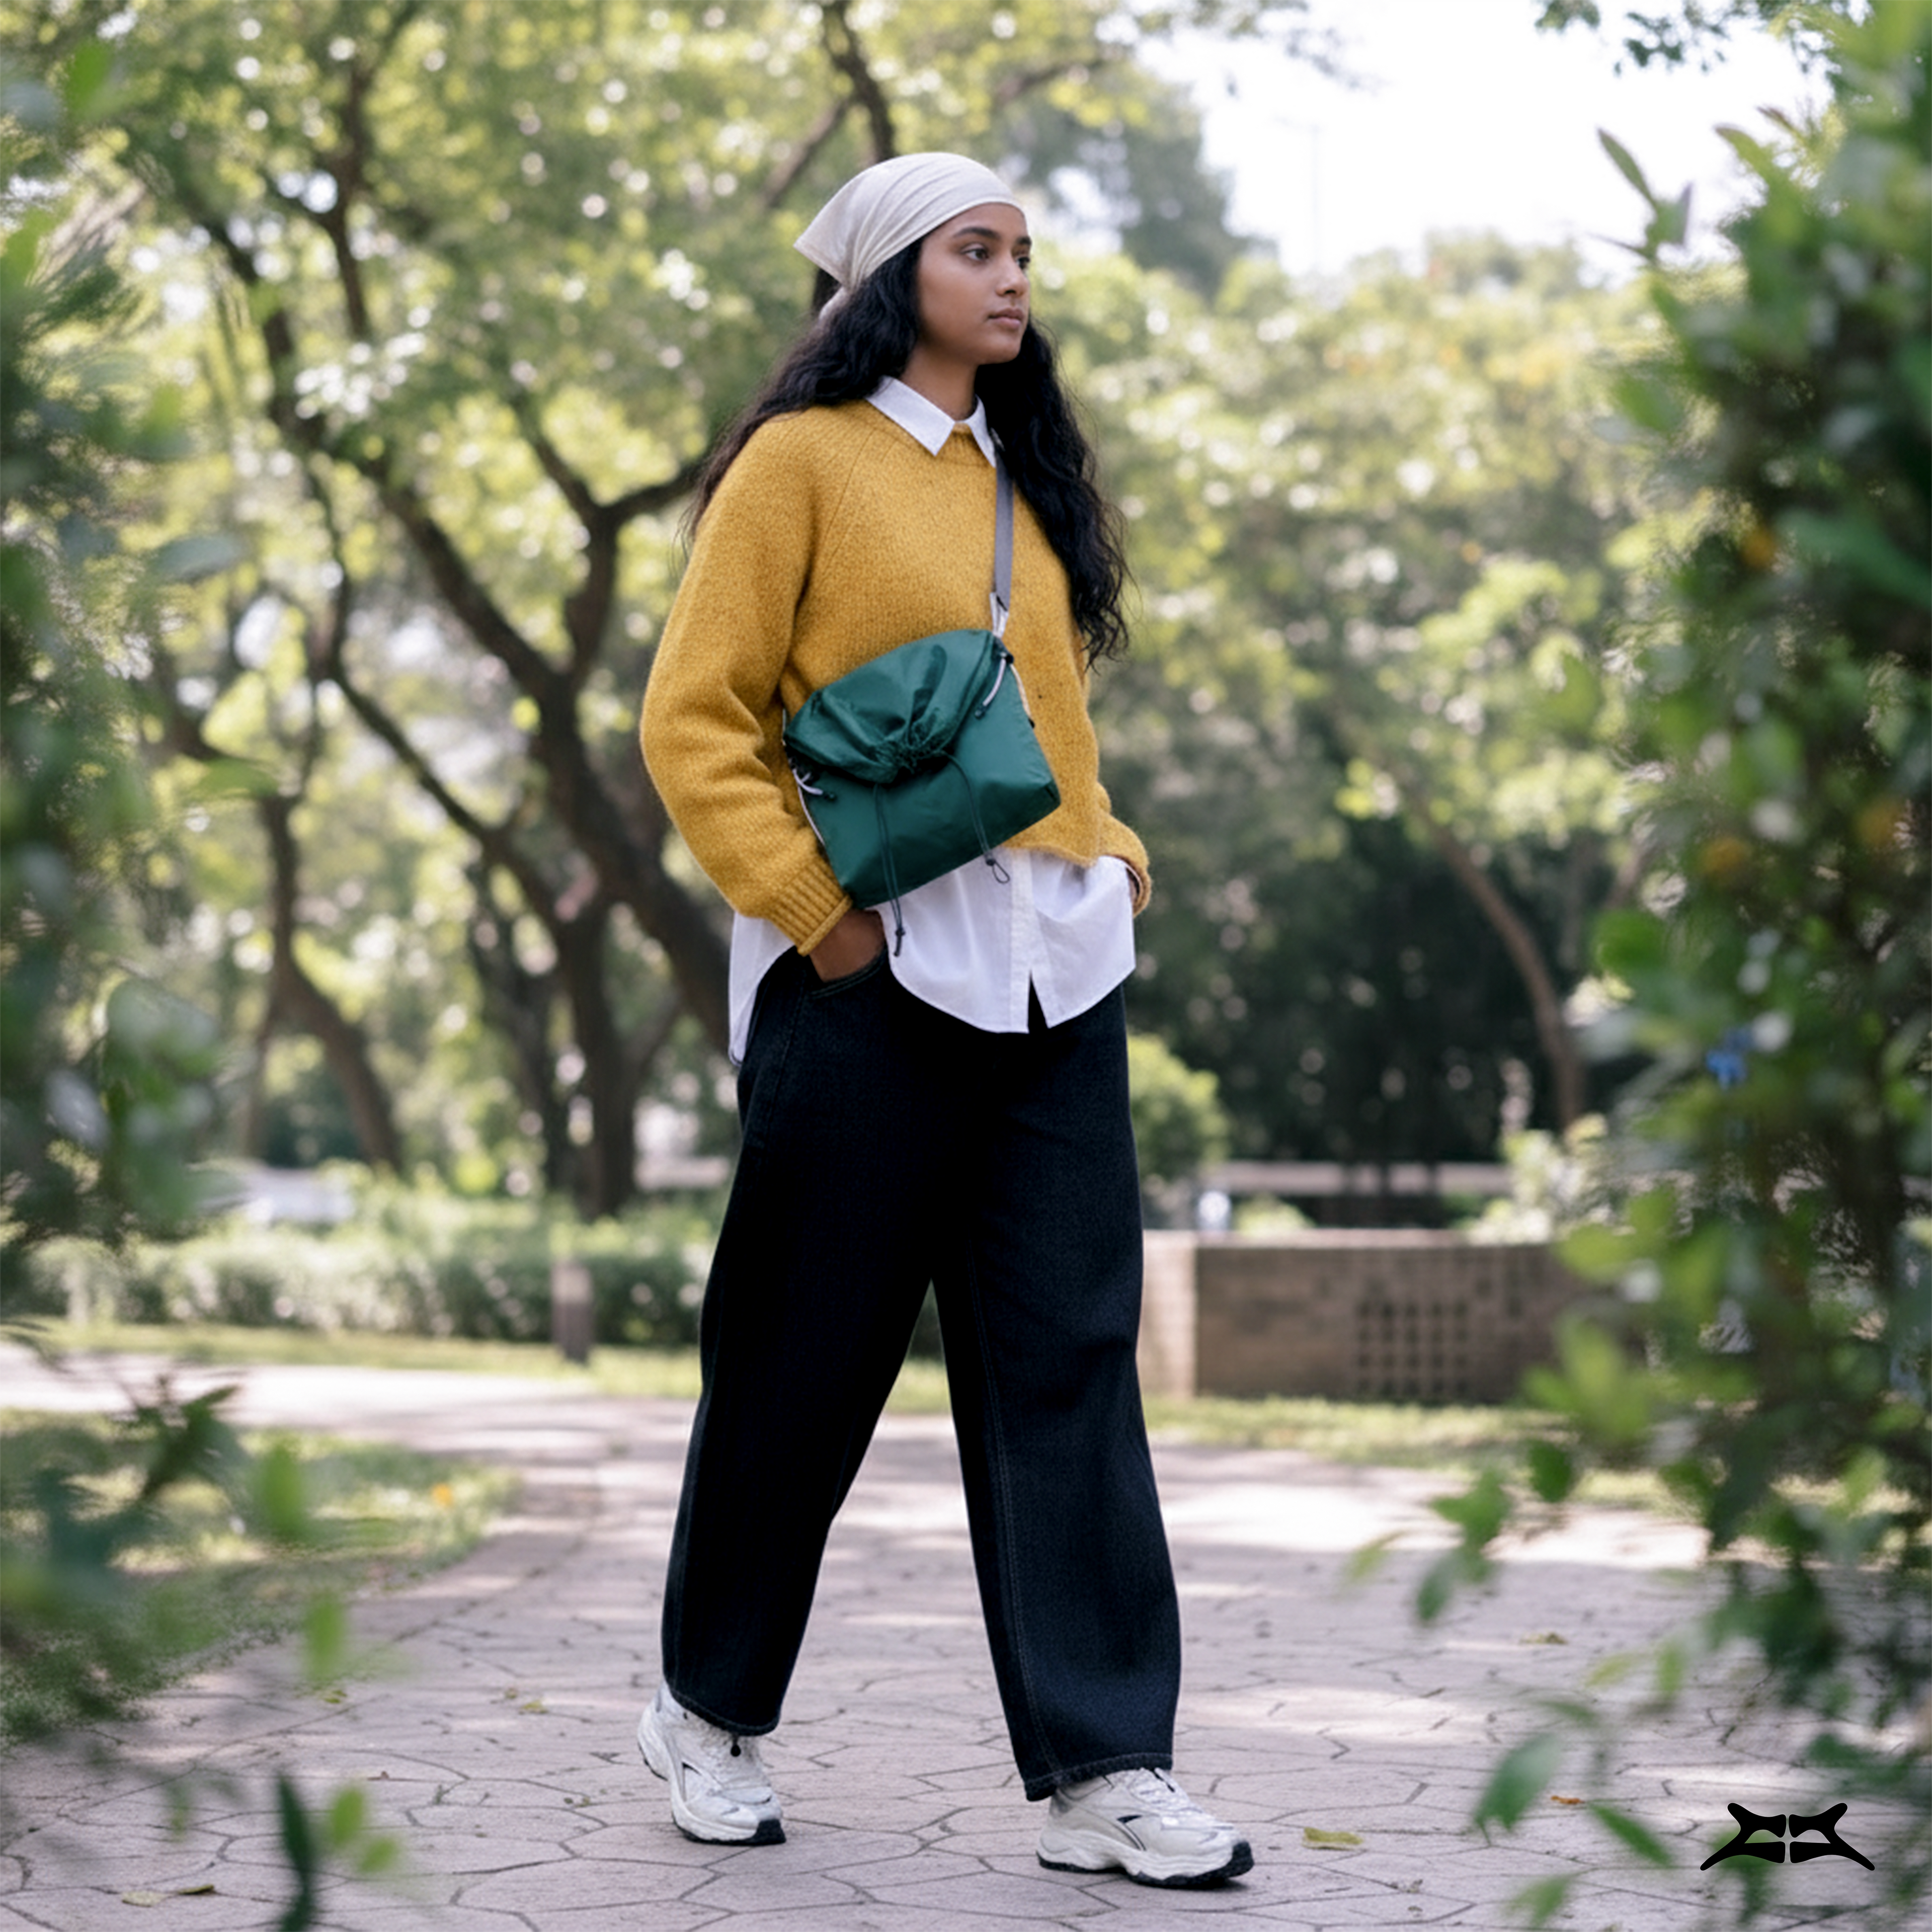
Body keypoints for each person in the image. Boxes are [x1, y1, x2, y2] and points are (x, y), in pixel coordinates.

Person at [635, 151, 1252, 1890]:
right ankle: (705, 1711)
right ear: (886, 278)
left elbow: (1051, 731)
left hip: (1057, 978)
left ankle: (1105, 1768)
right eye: (976, 249)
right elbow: (693, 720)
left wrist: (1116, 859)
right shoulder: (798, 464)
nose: (1012, 277)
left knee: (1071, 1364)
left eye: (1022, 251)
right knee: (799, 1365)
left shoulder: (1021, 480)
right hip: (873, 981)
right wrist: (819, 923)